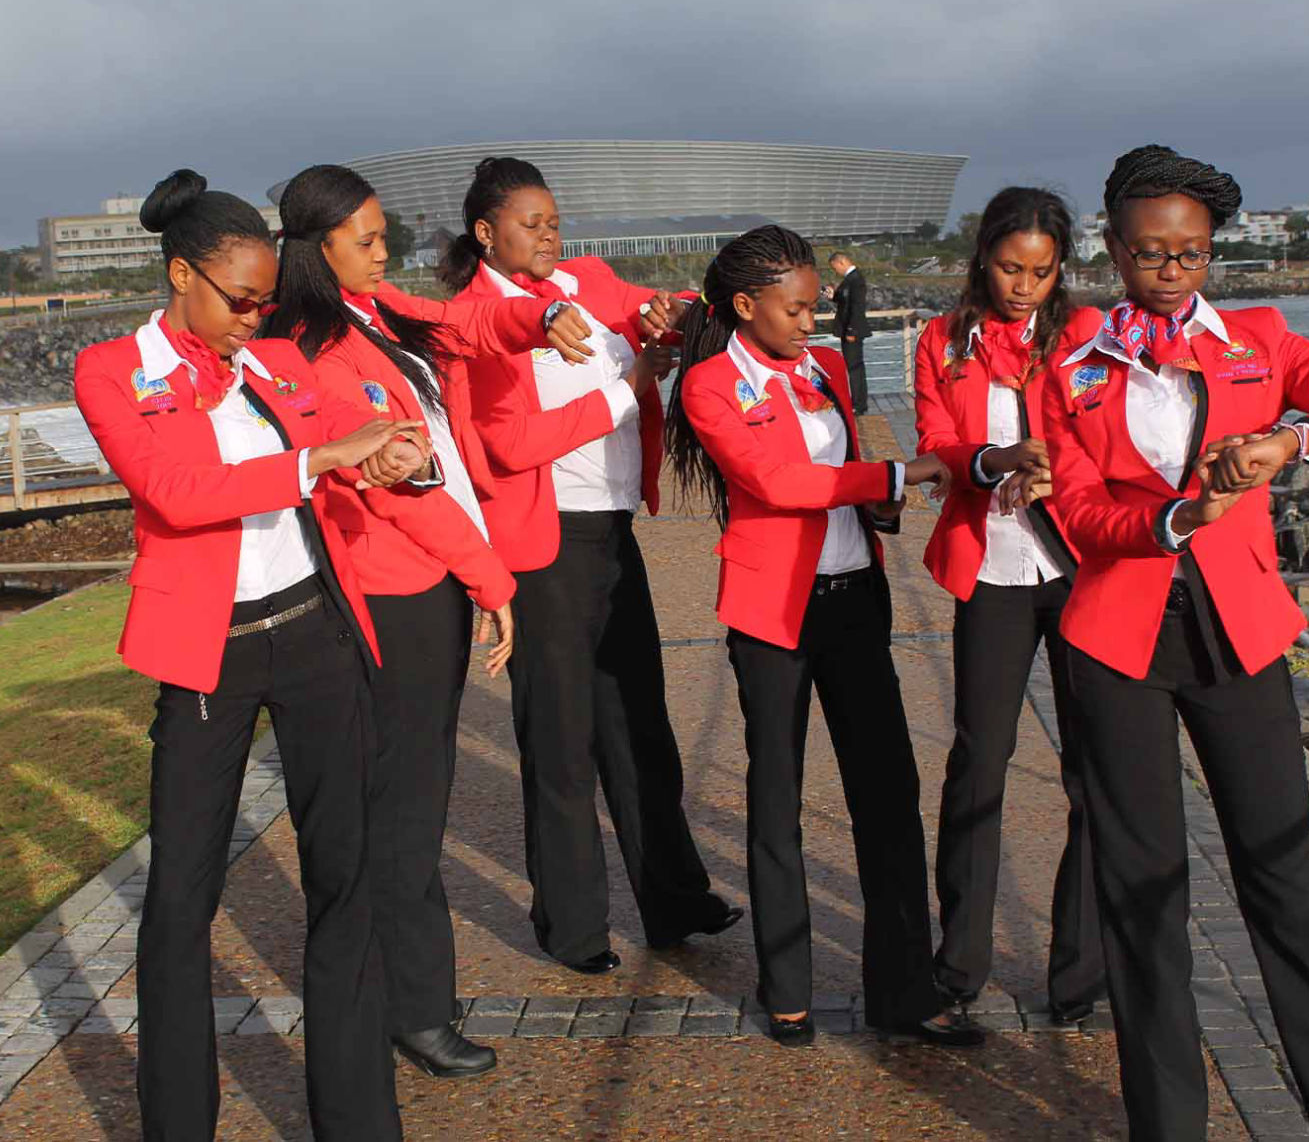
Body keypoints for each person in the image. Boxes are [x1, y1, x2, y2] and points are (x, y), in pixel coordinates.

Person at [1041, 145, 1309, 1141]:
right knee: (1143, 896)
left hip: (1238, 634)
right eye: (1150, 252)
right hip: (1116, 643)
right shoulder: (1071, 366)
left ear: (1210, 252)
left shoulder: (1260, 339)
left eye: (1192, 253)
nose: (1172, 270)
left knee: (1288, 882)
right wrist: (1181, 514)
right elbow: (1080, 514)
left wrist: (1289, 440)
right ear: (1113, 248)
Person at [73, 170, 435, 1141]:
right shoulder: (112, 370)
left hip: (316, 634)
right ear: (180, 275)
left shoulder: (271, 362)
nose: (252, 316)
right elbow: (176, 492)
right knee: (180, 898)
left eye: (264, 301)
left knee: (345, 881)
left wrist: (390, 458)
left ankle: (358, 1122)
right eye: (239, 298)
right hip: (210, 654)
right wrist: (317, 460)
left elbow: (344, 441)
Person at [256, 164, 584, 1079]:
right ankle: (415, 1007)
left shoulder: (373, 310)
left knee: (414, 796)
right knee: (404, 805)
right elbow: (397, 488)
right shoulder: (313, 349)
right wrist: (491, 579)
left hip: (429, 584)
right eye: (365, 241)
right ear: (317, 248)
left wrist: (540, 316)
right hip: (395, 593)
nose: (383, 252)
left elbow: (466, 323)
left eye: (383, 236)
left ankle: (406, 996)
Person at [665, 223, 980, 1050]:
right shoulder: (708, 384)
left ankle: (904, 989)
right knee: (777, 797)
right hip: (772, 611)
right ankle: (787, 988)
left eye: (816, 308)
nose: (811, 323)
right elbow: (776, 482)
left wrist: (885, 502)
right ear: (746, 306)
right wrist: (899, 472)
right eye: (796, 309)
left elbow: (841, 476)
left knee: (889, 791)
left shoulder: (827, 369)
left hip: (853, 601)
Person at [443, 155, 741, 975]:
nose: (549, 235)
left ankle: (675, 899)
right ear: (485, 233)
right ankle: (573, 927)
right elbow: (508, 444)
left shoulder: (588, 281)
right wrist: (629, 384)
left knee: (640, 726)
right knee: (561, 741)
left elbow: (669, 315)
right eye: (530, 223)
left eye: (554, 221)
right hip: (543, 547)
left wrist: (666, 317)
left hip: (611, 533)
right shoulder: (474, 321)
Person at [913, 187, 1107, 1032]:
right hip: (990, 568)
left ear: (1061, 269)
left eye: (1041, 271)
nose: (1023, 286)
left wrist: (1057, 466)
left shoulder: (1089, 333)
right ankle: (958, 969)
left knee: (1093, 771)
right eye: (1008, 268)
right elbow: (933, 444)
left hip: (1079, 567)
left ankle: (1080, 978)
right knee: (977, 762)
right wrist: (996, 459)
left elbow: (1111, 436)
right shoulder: (942, 340)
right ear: (982, 259)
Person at [827, 250, 870, 413]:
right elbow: (844, 299)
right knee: (853, 366)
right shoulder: (850, 280)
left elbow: (857, 306)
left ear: (841, 262)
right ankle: (858, 402)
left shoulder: (856, 280)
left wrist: (852, 330)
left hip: (852, 330)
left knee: (855, 367)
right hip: (848, 328)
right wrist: (833, 296)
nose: (835, 271)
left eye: (835, 268)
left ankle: (858, 404)